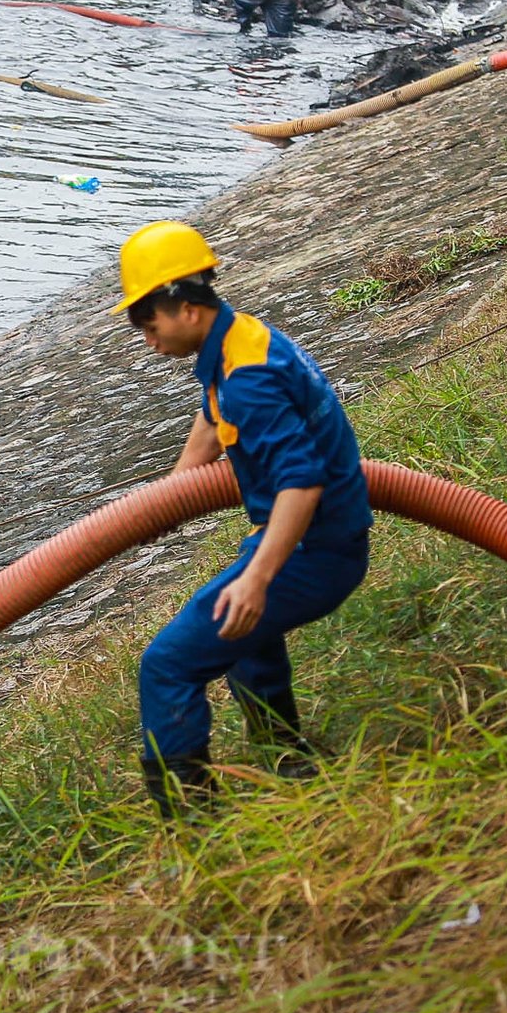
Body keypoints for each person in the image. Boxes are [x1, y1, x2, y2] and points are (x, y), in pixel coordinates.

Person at [113, 221, 372, 818]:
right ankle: (291, 763)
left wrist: (256, 578)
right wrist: (175, 491)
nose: (146, 338)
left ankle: (192, 823)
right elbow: (213, 416)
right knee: (246, 637)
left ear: (182, 305)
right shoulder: (236, 341)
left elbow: (302, 483)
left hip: (317, 550)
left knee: (169, 664)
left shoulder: (249, 377)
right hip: (322, 537)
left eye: (146, 322)